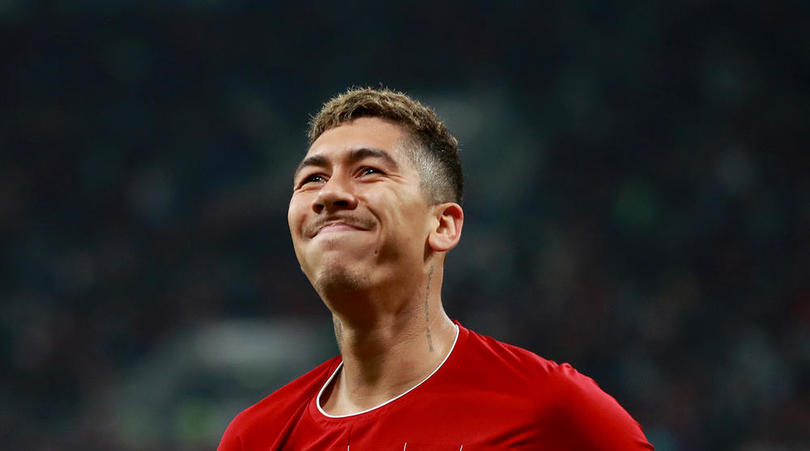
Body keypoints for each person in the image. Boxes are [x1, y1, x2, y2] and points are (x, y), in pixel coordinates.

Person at [218, 87, 653, 450]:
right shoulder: (256, 437)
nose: (329, 194)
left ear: (443, 224)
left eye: (368, 171)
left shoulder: (554, 410)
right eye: (312, 178)